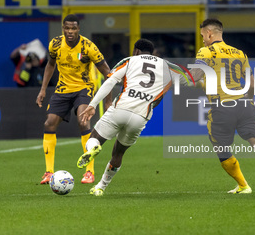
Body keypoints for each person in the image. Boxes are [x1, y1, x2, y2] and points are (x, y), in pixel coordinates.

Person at [76, 39, 188, 196]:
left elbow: (110, 81)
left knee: (93, 138)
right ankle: (101, 187)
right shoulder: (167, 66)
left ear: (136, 51)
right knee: (118, 153)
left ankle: (94, 147)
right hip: (140, 117)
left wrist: (92, 105)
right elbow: (189, 79)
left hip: (120, 109)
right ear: (152, 52)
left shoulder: (129, 60)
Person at [193, 18, 255, 194]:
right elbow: (251, 84)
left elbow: (195, 76)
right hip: (245, 105)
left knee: (221, 148)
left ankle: (244, 186)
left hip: (221, 107)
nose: (203, 39)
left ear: (209, 33)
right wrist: (248, 101)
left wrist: (184, 78)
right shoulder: (239, 53)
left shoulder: (205, 52)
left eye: (203, 36)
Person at [36, 14, 112, 184]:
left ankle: (90, 172)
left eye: (73, 28)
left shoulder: (88, 47)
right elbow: (50, 64)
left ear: (78, 29)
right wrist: (42, 90)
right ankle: (49, 172)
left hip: (83, 88)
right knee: (49, 123)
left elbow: (108, 73)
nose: (70, 32)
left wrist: (108, 101)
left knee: (83, 121)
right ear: (63, 28)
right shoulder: (55, 44)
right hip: (63, 89)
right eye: (67, 28)